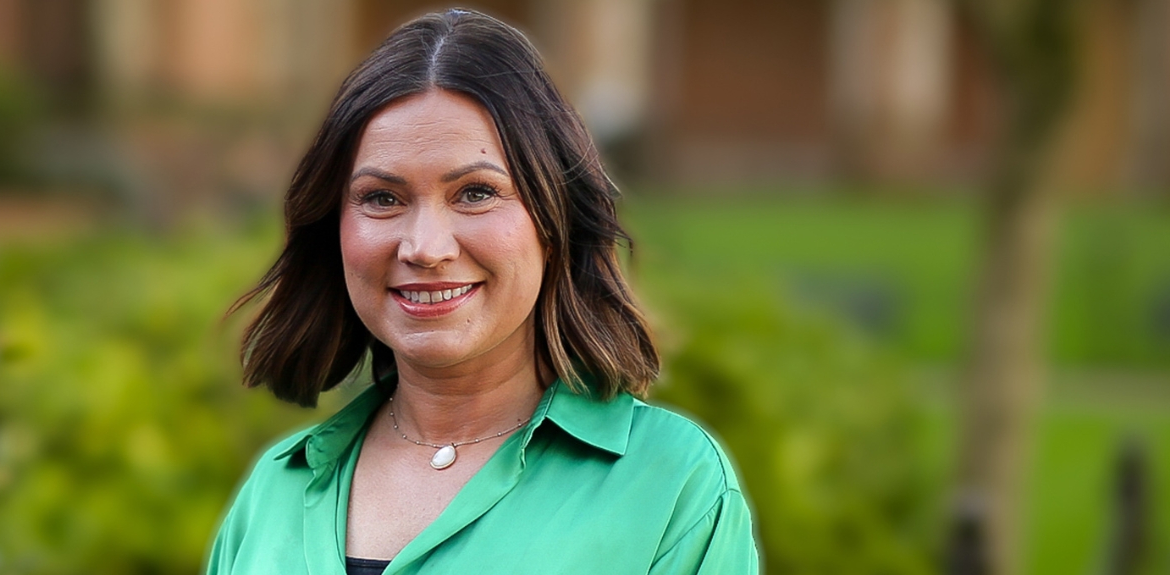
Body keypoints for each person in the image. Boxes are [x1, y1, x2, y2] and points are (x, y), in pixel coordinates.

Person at [208, 8, 758, 574]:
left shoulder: (669, 484)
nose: (424, 247)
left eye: (475, 193)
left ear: (553, 220)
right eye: (381, 198)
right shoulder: (274, 490)